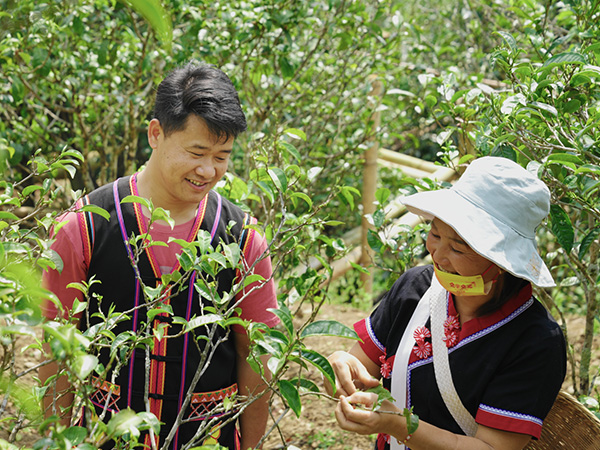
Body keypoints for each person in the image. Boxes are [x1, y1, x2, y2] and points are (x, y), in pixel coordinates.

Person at [40, 63, 279, 450]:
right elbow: (57, 351)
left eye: (222, 156)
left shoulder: (243, 237)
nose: (208, 170)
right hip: (105, 437)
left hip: (206, 439)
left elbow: (255, 353)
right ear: (156, 133)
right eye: (197, 152)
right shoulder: (83, 227)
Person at [327, 156, 566, 450]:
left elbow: (491, 448)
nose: (438, 256)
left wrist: (398, 425)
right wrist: (340, 366)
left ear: (501, 260)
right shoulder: (415, 289)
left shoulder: (535, 340)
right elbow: (359, 365)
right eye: (435, 234)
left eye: (457, 247)